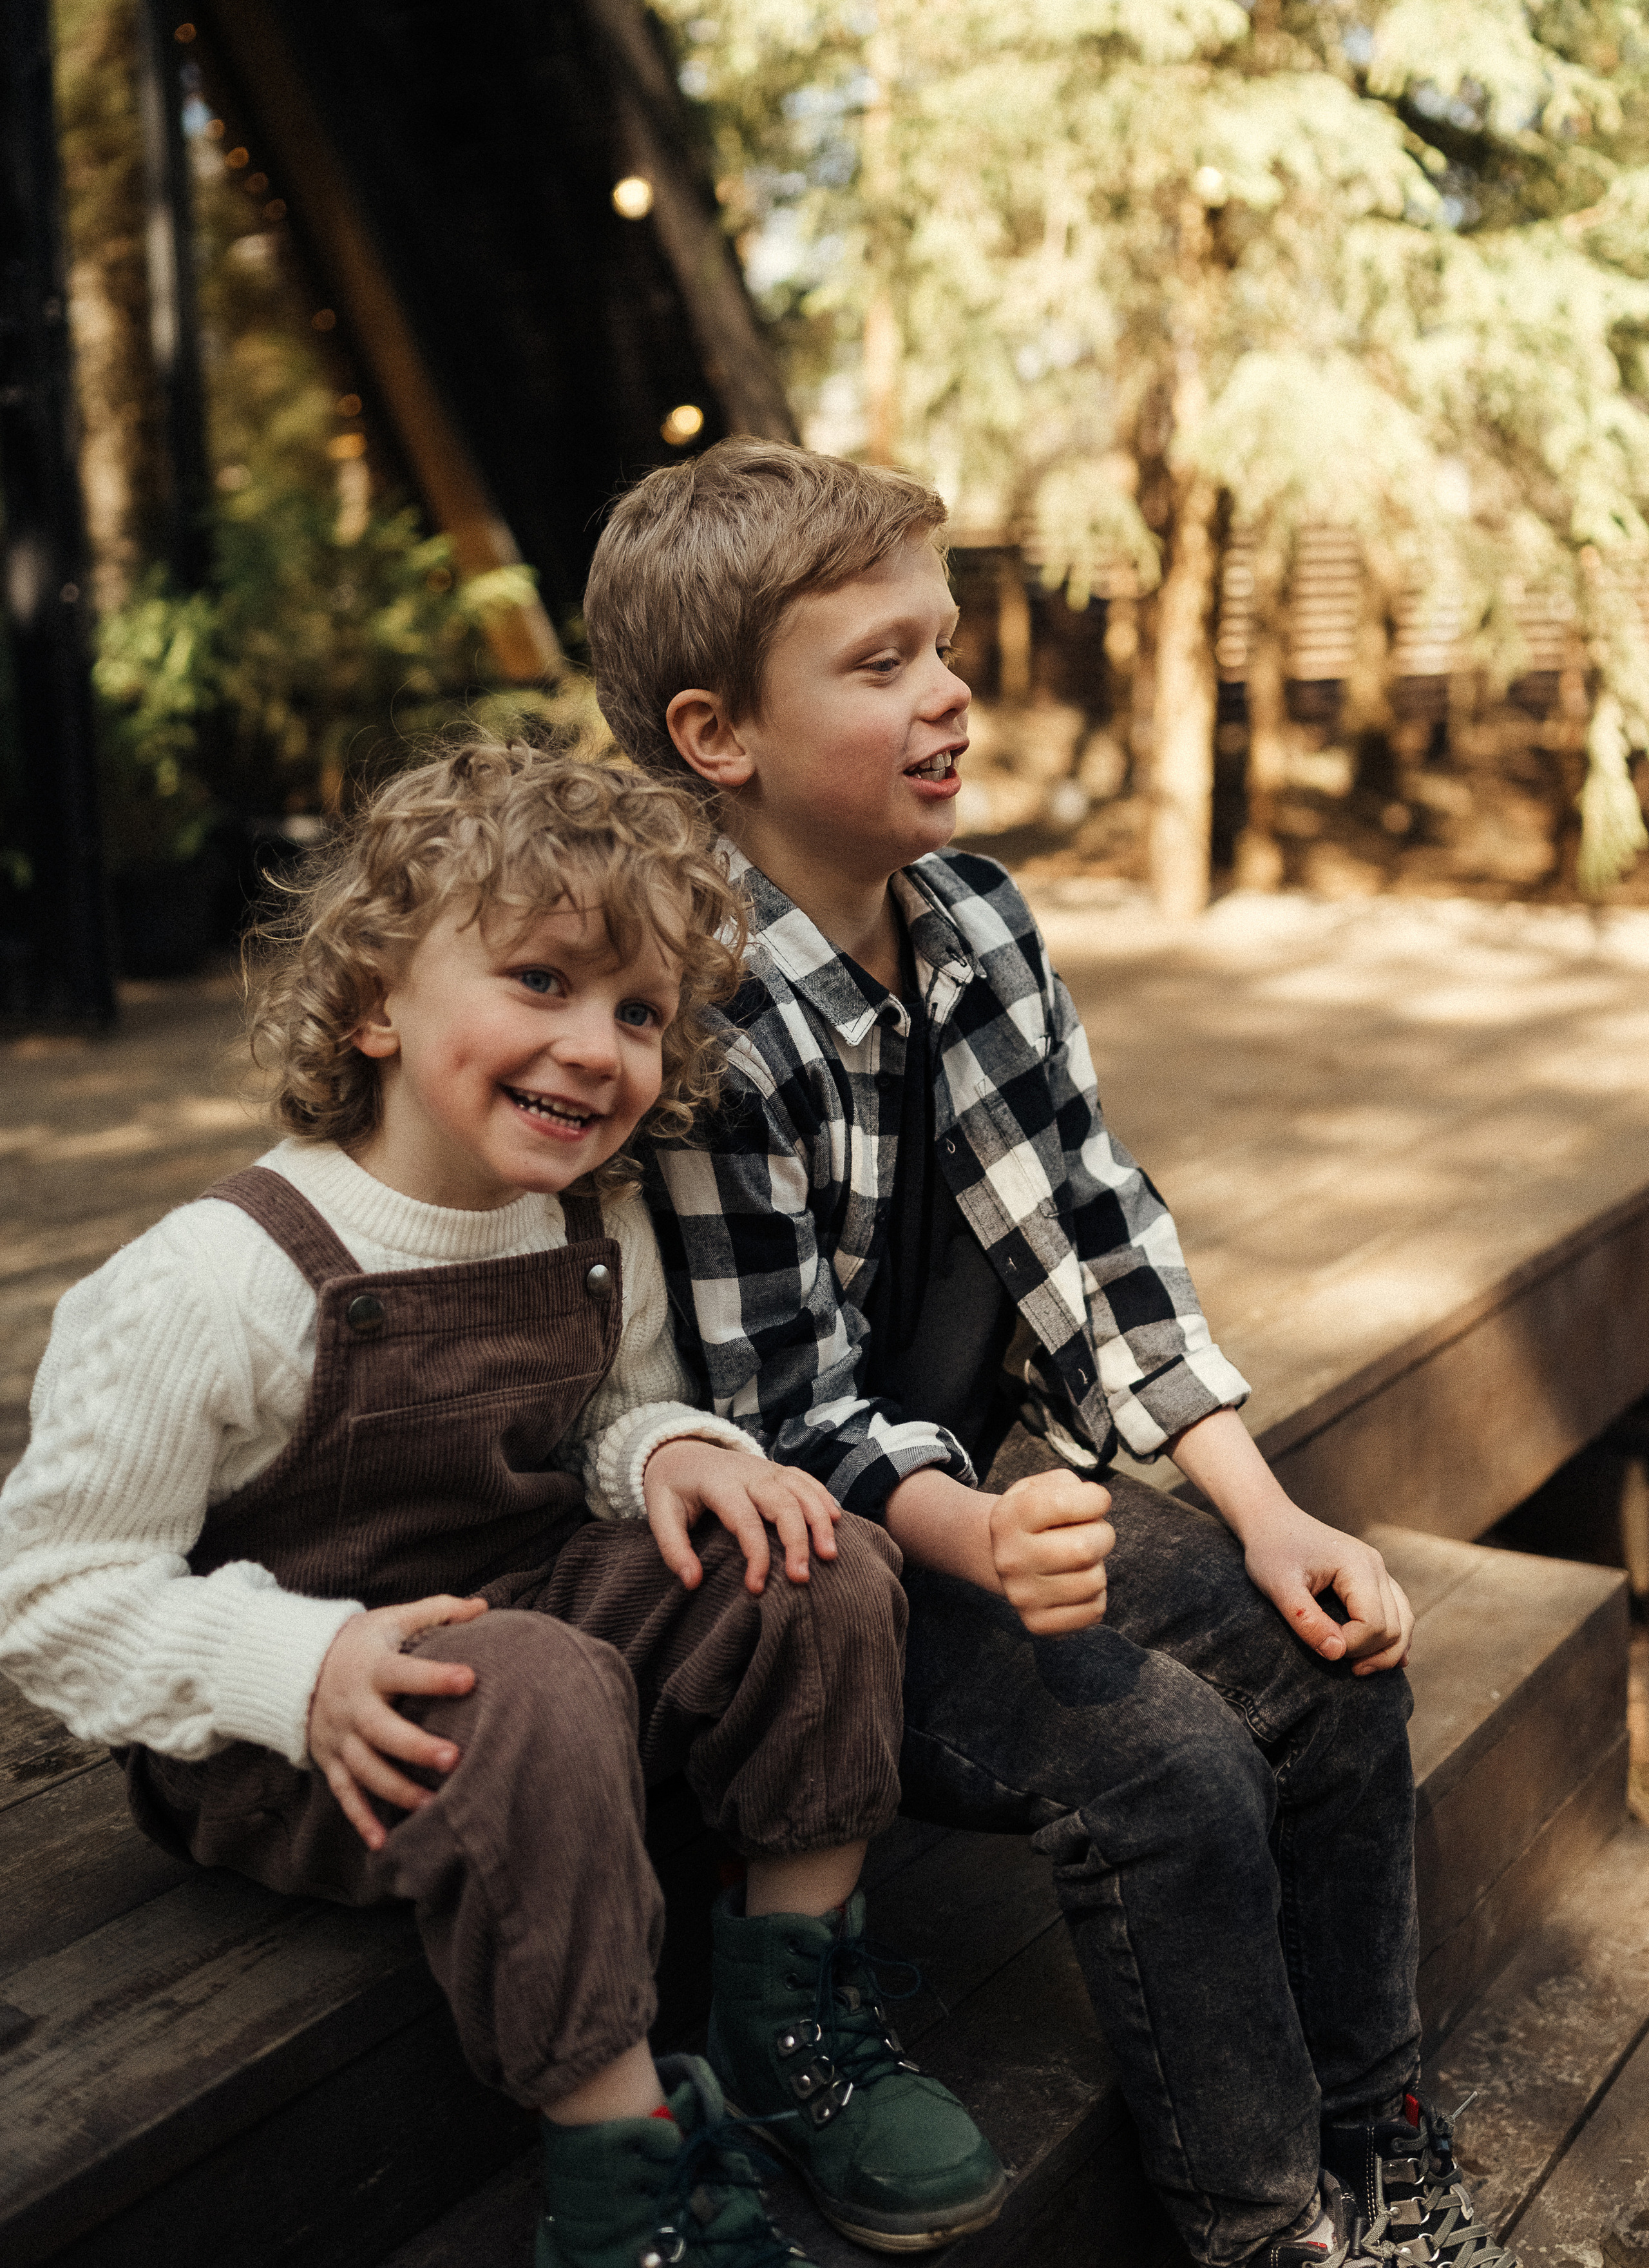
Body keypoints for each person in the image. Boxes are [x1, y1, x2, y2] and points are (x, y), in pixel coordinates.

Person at [584, 443, 1516, 2268]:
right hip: (807, 1577)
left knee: (1333, 1660)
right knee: (1162, 1764)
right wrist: (991, 1540)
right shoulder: (685, 1012)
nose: (949, 694)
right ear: (718, 736)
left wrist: (1264, 1513)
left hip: (972, 1512)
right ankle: (1262, 2230)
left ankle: (1377, 2130)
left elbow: (1099, 1239)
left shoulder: (978, 922)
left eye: (944, 644)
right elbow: (780, 1413)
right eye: (880, 665)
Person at [0, 744, 1007, 2268]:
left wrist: (673, 1455)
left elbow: (615, 1408)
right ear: (374, 1001)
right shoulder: (216, 1280)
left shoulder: (585, 1224)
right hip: (297, 1735)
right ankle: (622, 2173)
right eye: (540, 980)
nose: (596, 1046)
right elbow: (51, 1590)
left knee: (818, 1551)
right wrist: (299, 1668)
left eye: (639, 1012)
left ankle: (791, 2012)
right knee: (532, 1681)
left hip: (537, 1634)